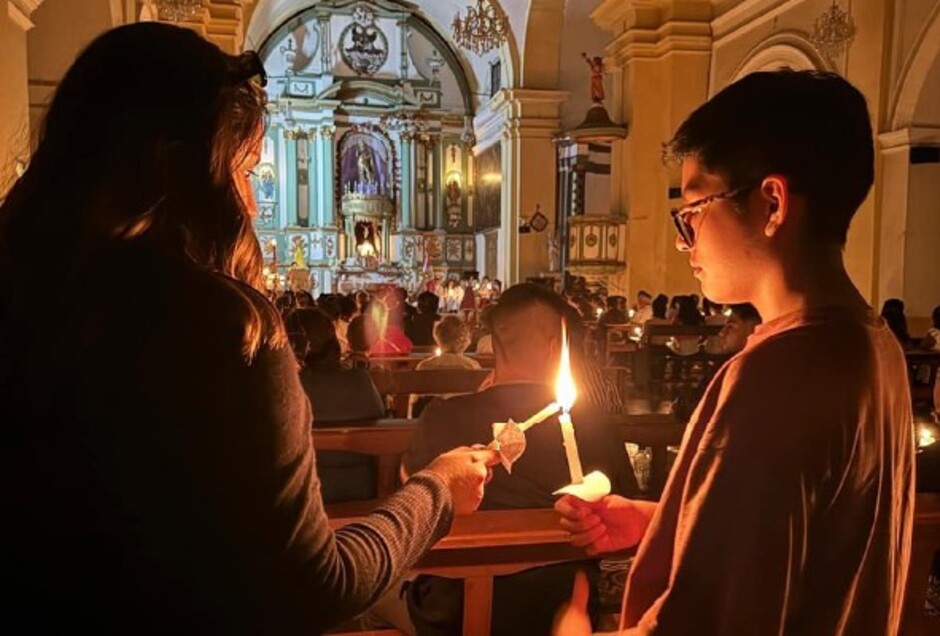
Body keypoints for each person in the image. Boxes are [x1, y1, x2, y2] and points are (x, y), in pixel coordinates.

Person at [0, 23, 498, 633]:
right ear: (190, 171)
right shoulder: (220, 330)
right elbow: (315, 587)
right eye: (246, 171)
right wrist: (437, 488)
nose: (255, 204)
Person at [555, 70, 914, 635]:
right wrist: (657, 523)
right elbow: (800, 543)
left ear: (771, 202)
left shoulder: (776, 377)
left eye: (695, 208)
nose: (682, 238)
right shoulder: (875, 345)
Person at [404, 283, 637, 636]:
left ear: (494, 344)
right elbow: (624, 506)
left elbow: (413, 502)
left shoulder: (441, 416)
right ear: (556, 347)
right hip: (566, 605)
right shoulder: (594, 423)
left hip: (451, 611)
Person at [284, 307, 385, 503]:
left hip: (308, 491)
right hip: (362, 485)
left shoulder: (291, 388)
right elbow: (379, 419)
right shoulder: (360, 381)